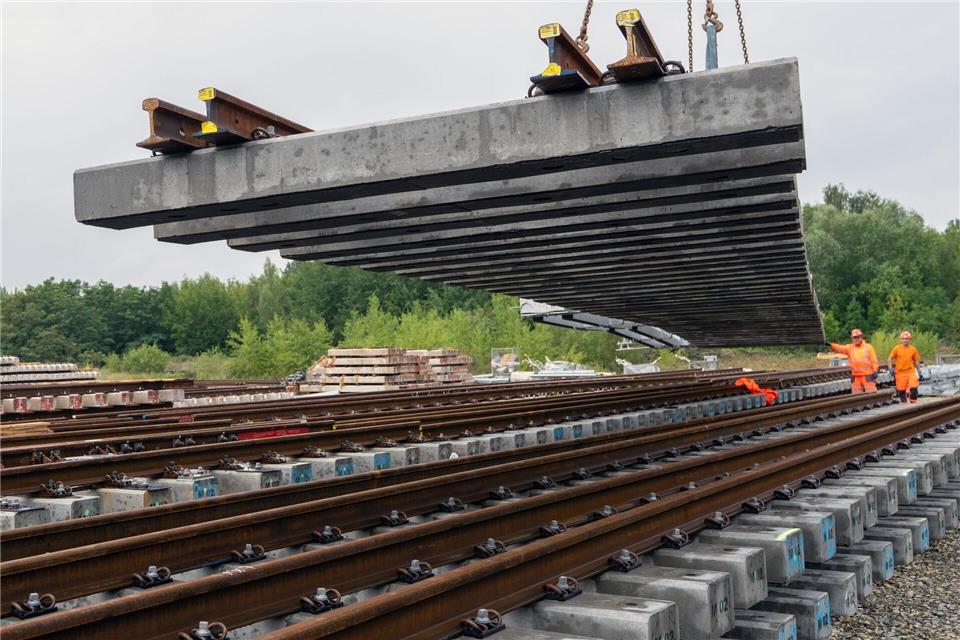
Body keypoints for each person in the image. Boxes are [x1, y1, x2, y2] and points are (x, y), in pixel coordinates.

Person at [829, 329, 879, 393]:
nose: (856, 339)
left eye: (858, 337)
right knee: (856, 397)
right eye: (854, 338)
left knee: (871, 394)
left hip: (867, 375)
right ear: (852, 339)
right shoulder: (850, 348)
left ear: (861, 337)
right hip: (856, 376)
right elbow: (840, 348)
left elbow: (874, 360)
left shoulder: (868, 347)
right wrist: (831, 345)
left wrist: (875, 370)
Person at [888, 331, 922, 403]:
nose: (905, 340)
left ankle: (913, 404)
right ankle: (904, 405)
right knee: (901, 392)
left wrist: (919, 371)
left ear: (910, 340)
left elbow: (916, 361)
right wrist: (890, 368)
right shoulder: (896, 348)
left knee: (914, 388)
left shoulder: (913, 349)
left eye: (907, 339)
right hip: (900, 373)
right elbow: (890, 358)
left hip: (910, 372)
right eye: (903, 339)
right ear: (901, 340)